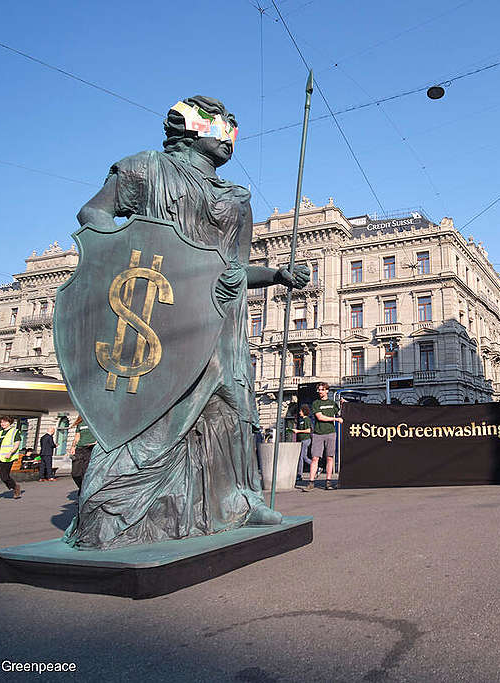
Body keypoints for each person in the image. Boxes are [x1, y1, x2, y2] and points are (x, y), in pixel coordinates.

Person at [66, 95, 309, 548]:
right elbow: (94, 214)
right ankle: (120, 502)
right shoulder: (146, 168)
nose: (231, 140)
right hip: (162, 306)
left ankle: (239, 497)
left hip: (224, 313)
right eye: (224, 129)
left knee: (232, 405)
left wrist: (275, 274)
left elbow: (236, 266)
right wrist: (120, 252)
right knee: (163, 403)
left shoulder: (235, 197)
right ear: (193, 126)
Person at [302, 383, 343, 491]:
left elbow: (340, 413)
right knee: (315, 457)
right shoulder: (316, 403)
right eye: (319, 390)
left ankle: (328, 482)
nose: (320, 391)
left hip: (331, 433)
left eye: (322, 390)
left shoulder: (332, 403)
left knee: (330, 458)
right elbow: (320, 417)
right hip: (318, 434)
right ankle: (311, 482)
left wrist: (344, 404)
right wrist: (335, 419)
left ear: (327, 391)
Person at [69, 415, 94, 493]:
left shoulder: (95, 421)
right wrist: (73, 447)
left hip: (90, 449)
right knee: (75, 473)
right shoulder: (80, 423)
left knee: (85, 473)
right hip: (80, 449)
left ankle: (83, 494)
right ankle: (82, 489)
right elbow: (77, 437)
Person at [290, 404, 313, 478]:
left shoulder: (307, 420)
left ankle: (300, 474)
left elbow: (309, 430)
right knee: (303, 457)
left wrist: (298, 431)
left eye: (300, 411)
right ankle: (316, 466)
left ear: (304, 411)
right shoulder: (302, 420)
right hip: (303, 440)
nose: (299, 412)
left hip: (306, 439)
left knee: (302, 457)